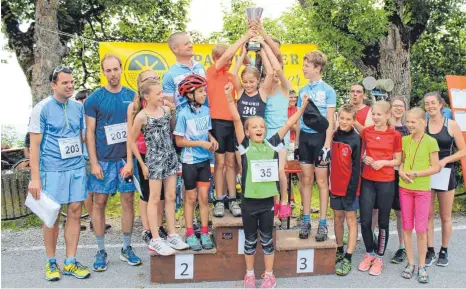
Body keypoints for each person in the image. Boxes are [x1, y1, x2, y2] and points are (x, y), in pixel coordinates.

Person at [225, 81, 310, 289]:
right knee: (250, 241)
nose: (259, 129)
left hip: (267, 203)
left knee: (267, 241)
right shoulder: (244, 147)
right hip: (248, 203)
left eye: (262, 126)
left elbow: (289, 124)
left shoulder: (272, 143)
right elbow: (237, 119)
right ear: (247, 132)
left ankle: (269, 275)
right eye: (254, 127)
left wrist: (302, 107)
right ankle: (250, 274)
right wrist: (229, 98)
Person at [28, 66, 90, 281]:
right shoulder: (41, 108)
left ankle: (70, 262)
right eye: (65, 83)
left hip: (76, 167)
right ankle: (51, 261)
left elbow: (82, 136)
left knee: (74, 211)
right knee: (51, 216)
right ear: (53, 85)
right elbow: (34, 146)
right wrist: (35, 178)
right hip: (51, 169)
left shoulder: (77, 107)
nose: (70, 86)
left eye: (72, 82)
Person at [85, 54, 141, 271]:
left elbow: (137, 132)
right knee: (99, 204)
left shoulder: (132, 96)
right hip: (104, 161)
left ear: (121, 68)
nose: (113, 74)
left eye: (116, 69)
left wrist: (131, 161)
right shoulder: (94, 99)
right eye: (108, 70)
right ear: (103, 72)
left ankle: (127, 247)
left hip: (125, 160)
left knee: (128, 202)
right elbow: (89, 133)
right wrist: (94, 162)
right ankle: (101, 250)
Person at [130, 79, 189, 256]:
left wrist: (173, 112)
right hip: (153, 159)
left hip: (170, 156)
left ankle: (172, 233)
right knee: (154, 198)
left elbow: (171, 130)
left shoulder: (165, 111)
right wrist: (142, 164)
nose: (161, 95)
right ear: (146, 97)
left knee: (170, 195)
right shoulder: (141, 116)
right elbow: (132, 141)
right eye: (158, 93)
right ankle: (155, 238)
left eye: (161, 92)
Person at [207, 28, 255, 218]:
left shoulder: (231, 74)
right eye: (227, 59)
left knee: (231, 162)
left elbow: (251, 69)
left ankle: (233, 198)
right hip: (217, 122)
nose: (229, 61)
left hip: (234, 123)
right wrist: (245, 36)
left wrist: (244, 54)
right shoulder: (212, 72)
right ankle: (219, 199)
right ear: (217, 58)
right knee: (219, 163)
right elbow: (227, 55)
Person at [358, 100, 402, 276]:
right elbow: (360, 153)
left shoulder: (395, 135)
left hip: (386, 181)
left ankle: (379, 257)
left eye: (379, 114)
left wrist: (383, 162)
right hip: (368, 179)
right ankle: (369, 253)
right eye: (373, 114)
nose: (375, 117)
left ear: (387, 115)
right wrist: (364, 159)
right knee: (366, 220)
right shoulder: (366, 132)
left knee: (383, 221)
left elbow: (398, 160)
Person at [296, 50, 336, 241]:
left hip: (321, 139)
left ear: (317, 68)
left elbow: (330, 120)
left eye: (306, 66)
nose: (303, 69)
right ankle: (305, 219)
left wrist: (327, 145)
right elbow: (298, 119)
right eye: (303, 65)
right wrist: (296, 143)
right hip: (304, 138)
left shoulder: (328, 90)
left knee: (321, 181)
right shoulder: (302, 90)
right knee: (305, 179)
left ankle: (322, 222)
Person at [174, 75, 218, 250]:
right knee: (190, 198)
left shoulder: (205, 110)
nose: (204, 94)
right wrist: (201, 143)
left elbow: (206, 132)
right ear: (190, 95)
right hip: (190, 162)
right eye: (200, 91)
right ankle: (191, 233)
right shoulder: (183, 114)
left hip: (204, 161)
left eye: (204, 91)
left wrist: (212, 139)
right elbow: (179, 142)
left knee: (204, 198)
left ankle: (205, 232)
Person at [399, 107, 440, 284]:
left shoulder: (431, 141)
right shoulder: (404, 140)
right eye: (408, 121)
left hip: (422, 189)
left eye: (413, 122)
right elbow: (400, 163)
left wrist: (415, 174)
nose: (410, 125)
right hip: (404, 188)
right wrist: (401, 173)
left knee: (421, 229)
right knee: (407, 227)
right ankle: (410, 263)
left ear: (423, 121)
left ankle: (422, 265)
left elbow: (435, 167)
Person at [424, 91, 466, 267]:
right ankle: (430, 249)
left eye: (433, 103)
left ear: (441, 104)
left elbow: (463, 150)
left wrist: (445, 160)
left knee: (445, 216)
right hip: (427, 174)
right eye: (427, 104)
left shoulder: (451, 125)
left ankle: (444, 250)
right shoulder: (423, 124)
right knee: (427, 215)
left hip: (445, 173)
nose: (430, 106)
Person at [127, 70, 169, 244]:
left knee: (161, 195)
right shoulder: (134, 107)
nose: (153, 81)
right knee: (147, 194)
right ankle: (146, 228)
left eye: (156, 78)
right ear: (141, 85)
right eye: (149, 79)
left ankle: (158, 225)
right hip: (144, 154)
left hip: (162, 154)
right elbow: (130, 137)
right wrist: (130, 161)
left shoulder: (163, 104)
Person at [259, 36, 293, 220]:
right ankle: (273, 203)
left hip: (281, 135)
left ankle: (285, 201)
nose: (274, 75)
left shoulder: (285, 88)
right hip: (265, 136)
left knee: (280, 170)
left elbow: (277, 69)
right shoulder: (263, 90)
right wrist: (262, 52)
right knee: (268, 171)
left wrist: (265, 46)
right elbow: (269, 71)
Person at [330, 104, 361, 276]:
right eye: (341, 118)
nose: (344, 121)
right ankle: (339, 249)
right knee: (337, 218)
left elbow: (356, 169)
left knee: (351, 220)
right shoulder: (333, 136)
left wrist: (351, 191)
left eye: (348, 119)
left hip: (350, 189)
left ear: (354, 121)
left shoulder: (356, 139)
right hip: (335, 187)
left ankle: (348, 257)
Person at [75, 89, 112, 232]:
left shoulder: (94, 112)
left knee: (98, 192)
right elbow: (82, 136)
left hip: (98, 156)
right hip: (85, 156)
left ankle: (97, 219)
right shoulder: (81, 116)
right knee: (89, 191)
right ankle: (93, 219)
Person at [231, 40, 274, 125]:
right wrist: (243, 54)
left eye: (251, 82)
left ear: (258, 80)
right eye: (245, 82)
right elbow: (233, 73)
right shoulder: (240, 92)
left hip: (257, 134)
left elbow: (270, 73)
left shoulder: (262, 93)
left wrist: (262, 53)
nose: (248, 85)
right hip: (241, 134)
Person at [163, 31, 207, 111]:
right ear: (175, 49)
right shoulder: (169, 75)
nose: (191, 46)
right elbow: (169, 107)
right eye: (186, 44)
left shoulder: (200, 67)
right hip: (183, 121)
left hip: (205, 119)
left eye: (190, 43)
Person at [390, 96, 410, 264]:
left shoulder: (408, 128)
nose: (398, 108)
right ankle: (374, 243)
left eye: (400, 106)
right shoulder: (384, 126)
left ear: (404, 109)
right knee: (376, 211)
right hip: (382, 174)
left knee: (400, 212)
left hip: (400, 175)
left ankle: (402, 247)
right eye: (395, 106)